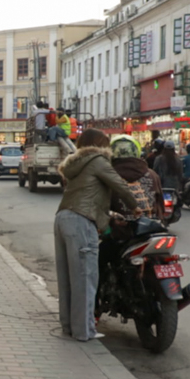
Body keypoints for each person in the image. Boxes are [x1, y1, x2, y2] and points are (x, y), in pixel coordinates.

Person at [55, 129, 139, 342]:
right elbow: (119, 184)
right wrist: (135, 207)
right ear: (102, 145)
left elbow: (88, 194)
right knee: (85, 278)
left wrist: (109, 214)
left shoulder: (77, 164)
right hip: (81, 221)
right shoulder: (98, 160)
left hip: (63, 218)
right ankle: (84, 332)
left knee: (67, 279)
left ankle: (68, 327)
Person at [110, 135, 163, 221]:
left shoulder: (107, 176)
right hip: (150, 226)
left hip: (118, 229)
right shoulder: (152, 174)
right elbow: (160, 205)